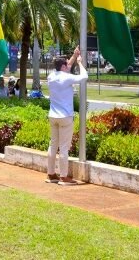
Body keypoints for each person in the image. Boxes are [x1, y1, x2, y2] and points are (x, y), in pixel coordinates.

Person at [45, 47, 87, 186]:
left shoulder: (51, 76)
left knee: (53, 145)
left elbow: (66, 66)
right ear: (63, 66)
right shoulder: (67, 78)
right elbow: (84, 77)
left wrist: (74, 56)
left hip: (53, 115)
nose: (68, 65)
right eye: (66, 64)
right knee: (64, 147)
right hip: (65, 117)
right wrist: (79, 63)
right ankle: (63, 177)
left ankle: (51, 174)